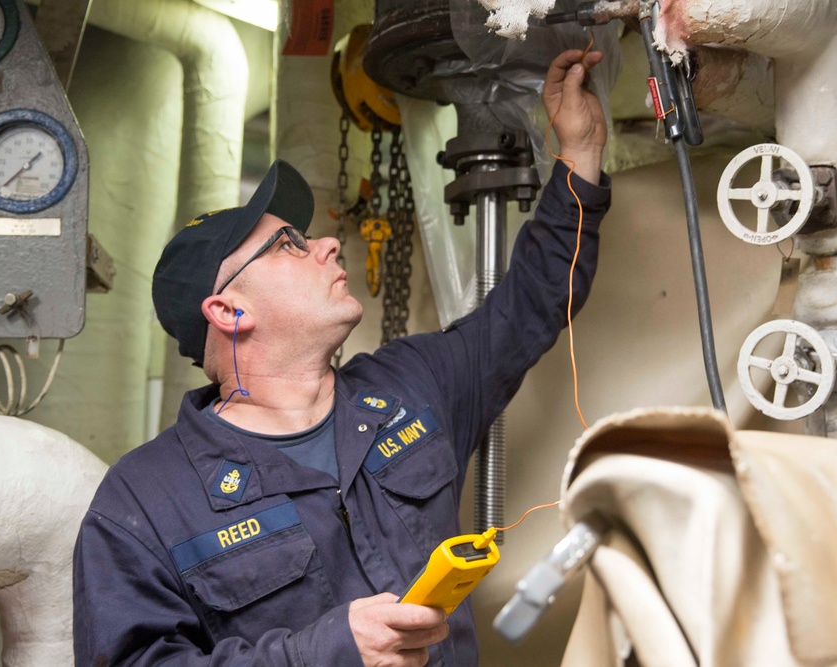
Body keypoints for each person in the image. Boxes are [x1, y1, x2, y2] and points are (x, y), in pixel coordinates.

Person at [73, 48, 610, 666]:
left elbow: (533, 302)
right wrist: (327, 653)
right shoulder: (142, 500)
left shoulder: (413, 385)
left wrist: (582, 151)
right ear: (228, 312)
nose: (328, 243)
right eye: (286, 245)